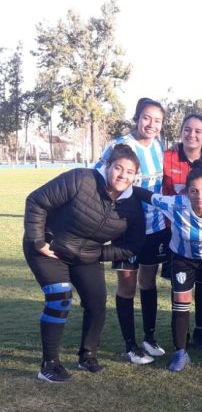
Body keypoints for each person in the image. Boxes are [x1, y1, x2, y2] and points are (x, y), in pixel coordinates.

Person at [24, 144, 146, 382]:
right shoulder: (81, 178)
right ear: (107, 166)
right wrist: (38, 241)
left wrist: (98, 254)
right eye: (118, 168)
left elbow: (133, 244)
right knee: (60, 298)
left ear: (135, 176)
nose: (123, 175)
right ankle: (49, 364)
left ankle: (87, 355)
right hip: (50, 249)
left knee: (97, 303)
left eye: (129, 172)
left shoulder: (131, 206)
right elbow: (37, 201)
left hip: (87, 257)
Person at [135, 168, 202, 372]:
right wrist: (123, 186)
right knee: (181, 300)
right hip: (183, 258)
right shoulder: (175, 204)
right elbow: (147, 195)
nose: (199, 196)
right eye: (194, 191)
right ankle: (180, 352)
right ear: (186, 192)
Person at [94, 97, 167, 365]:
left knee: (148, 281)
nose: (151, 124)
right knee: (127, 285)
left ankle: (149, 337)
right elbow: (98, 178)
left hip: (156, 228)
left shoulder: (159, 147)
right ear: (137, 117)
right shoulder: (118, 146)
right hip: (126, 229)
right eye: (146, 117)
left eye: (157, 120)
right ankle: (130, 345)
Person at [162, 114, 202, 350]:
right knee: (179, 286)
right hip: (175, 234)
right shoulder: (167, 157)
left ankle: (199, 329)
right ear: (181, 132)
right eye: (187, 129)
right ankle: (183, 332)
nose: (192, 135)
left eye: (198, 131)